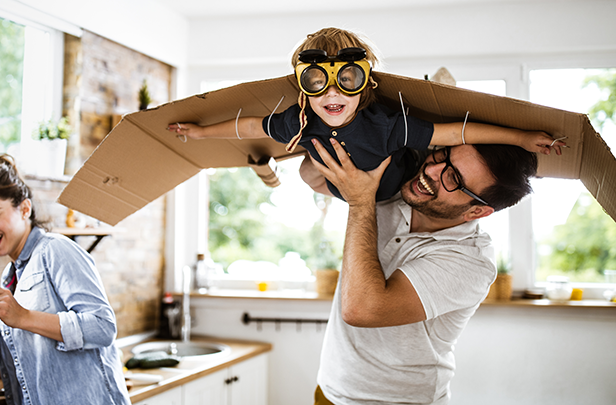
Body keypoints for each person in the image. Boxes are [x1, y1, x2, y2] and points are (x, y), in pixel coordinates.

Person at [167, 27, 563, 202]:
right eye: (319, 80)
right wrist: (201, 133)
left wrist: (521, 138)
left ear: (366, 85)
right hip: (338, 189)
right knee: (306, 171)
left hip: (392, 191)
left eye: (349, 78)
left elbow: (456, 133)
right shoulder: (301, 119)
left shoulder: (388, 126)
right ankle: (285, 176)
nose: (333, 93)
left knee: (419, 149)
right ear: (305, 84)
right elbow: (251, 124)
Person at [308, 138, 539, 404]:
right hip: (329, 389)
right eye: (442, 156)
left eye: (452, 178)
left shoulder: (471, 262)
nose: (431, 171)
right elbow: (311, 174)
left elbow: (361, 309)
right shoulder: (400, 188)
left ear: (476, 211)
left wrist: (361, 201)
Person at [0, 154, 130, 405]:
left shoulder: (56, 250)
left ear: (24, 209)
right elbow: (36, 355)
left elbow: (102, 328)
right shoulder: (13, 274)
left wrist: (23, 316)